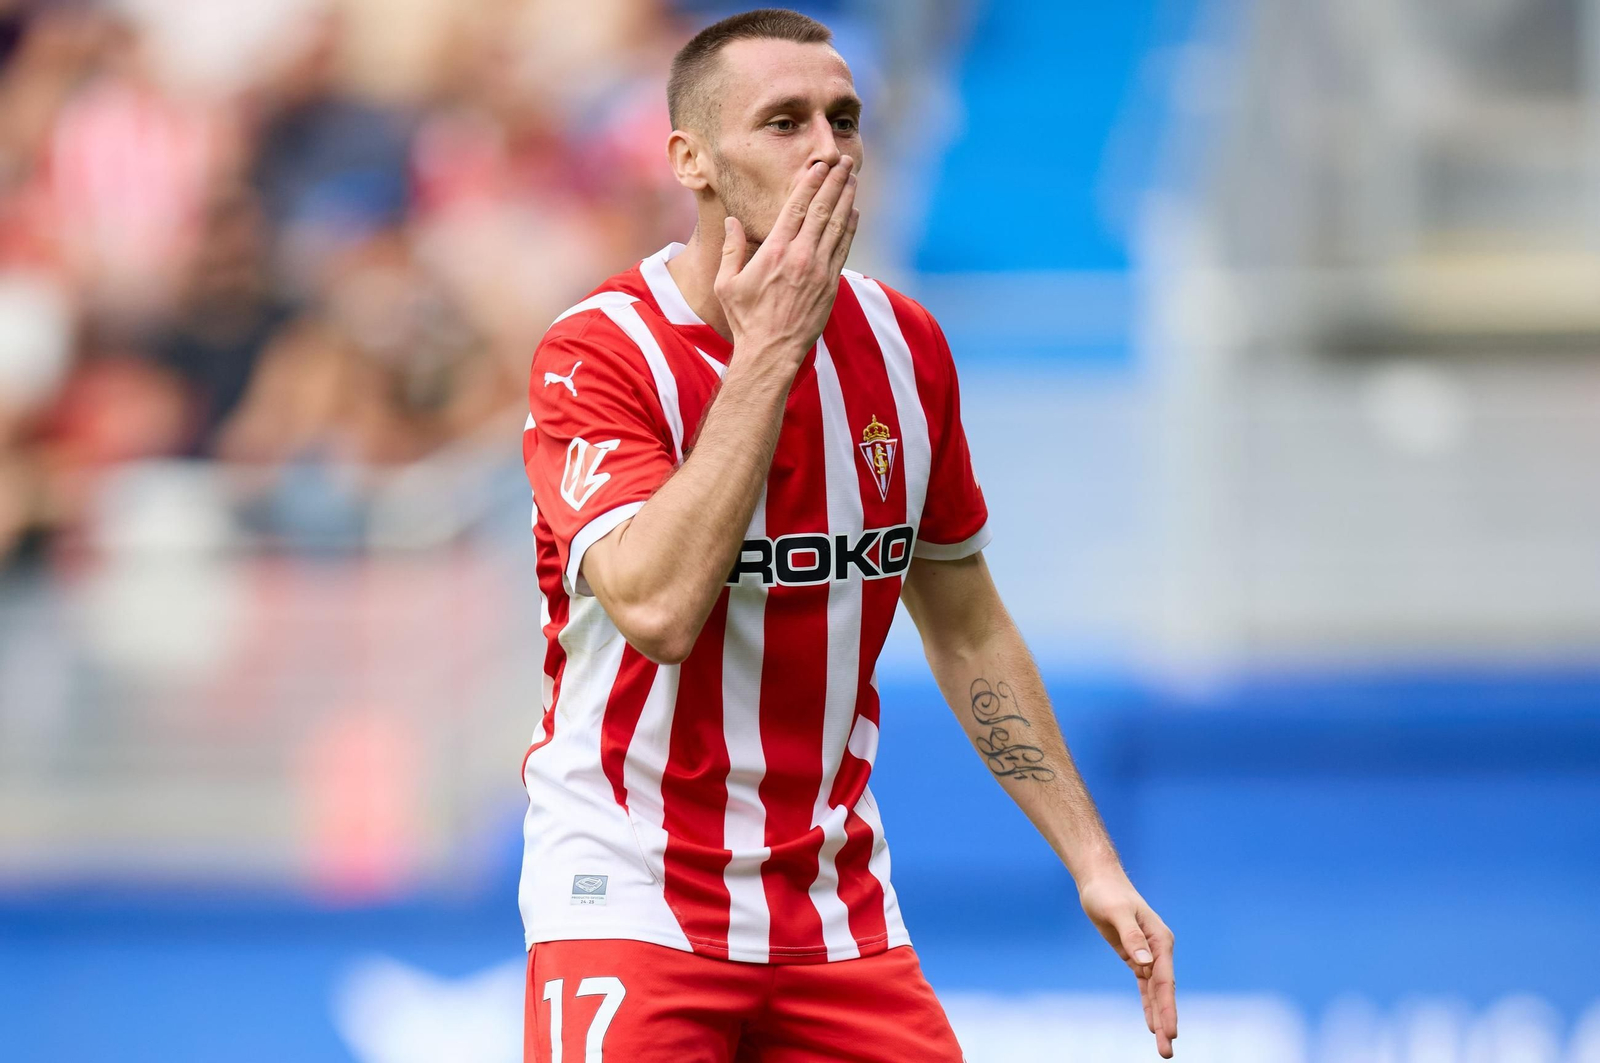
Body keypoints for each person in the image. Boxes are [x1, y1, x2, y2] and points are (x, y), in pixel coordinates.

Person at [518, 9, 1178, 1062]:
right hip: (630, 891)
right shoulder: (600, 355)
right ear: (690, 159)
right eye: (783, 123)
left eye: (844, 119)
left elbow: (965, 625)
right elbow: (653, 608)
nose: (827, 149)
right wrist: (769, 352)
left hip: (832, 907)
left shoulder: (905, 346)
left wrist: (1090, 859)